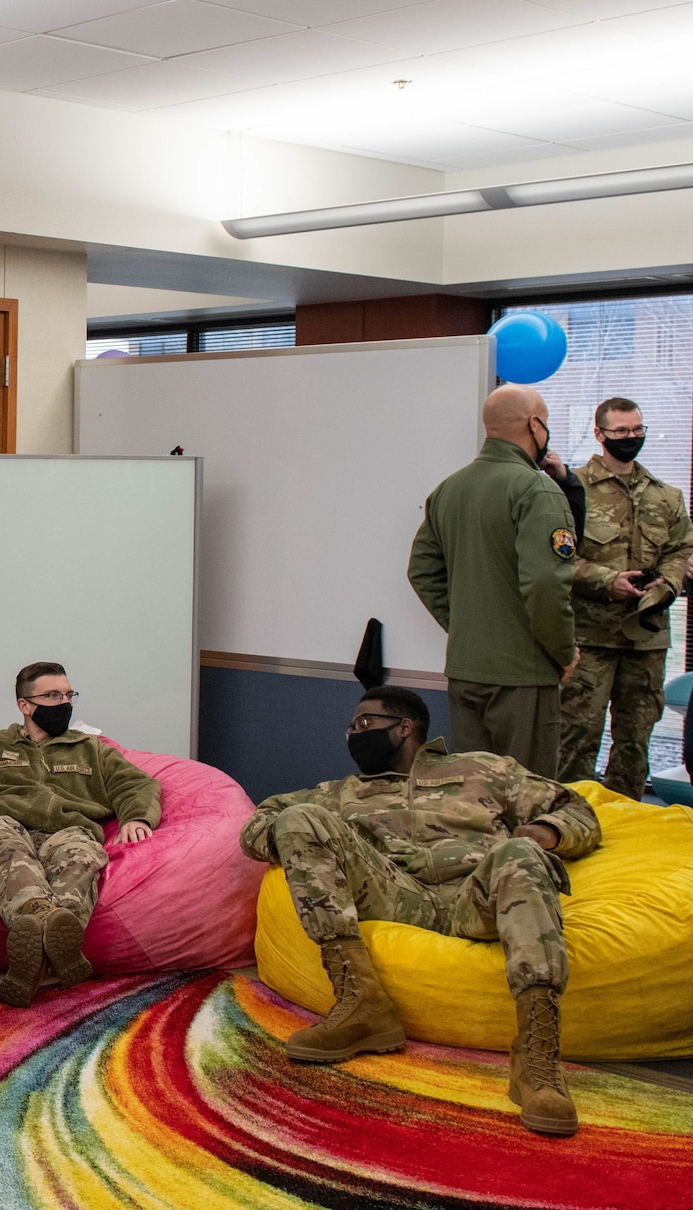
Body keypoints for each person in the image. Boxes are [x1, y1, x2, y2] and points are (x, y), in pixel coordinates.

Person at [239, 687, 601, 1137]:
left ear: (404, 728)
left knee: (522, 853)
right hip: (397, 894)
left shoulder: (484, 769)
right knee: (297, 818)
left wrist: (546, 831)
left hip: (478, 896)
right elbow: (257, 824)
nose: (352, 734)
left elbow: (577, 809)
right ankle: (360, 1002)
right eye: (350, 728)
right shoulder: (341, 792)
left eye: (364, 724)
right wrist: (302, 841)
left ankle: (537, 1057)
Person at [0, 662, 159, 1007]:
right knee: (8, 851)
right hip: (3, 823)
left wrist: (137, 818)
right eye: (52, 695)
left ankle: (41, 946)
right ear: (24, 704)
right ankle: (55, 938)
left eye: (69, 694)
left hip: (69, 828)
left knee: (83, 856)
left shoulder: (92, 749)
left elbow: (137, 785)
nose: (64, 703)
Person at [408, 383, 580, 775]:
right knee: (526, 798)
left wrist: (470, 628)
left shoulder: (449, 489)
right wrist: (563, 651)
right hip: (522, 676)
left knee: (474, 800)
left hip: (466, 671)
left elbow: (421, 571)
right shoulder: (536, 489)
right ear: (535, 425)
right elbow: (546, 585)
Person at [555, 396, 692, 798]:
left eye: (637, 431)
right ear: (599, 434)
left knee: (635, 742)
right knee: (577, 740)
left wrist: (666, 584)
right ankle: (570, 825)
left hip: (646, 636)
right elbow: (556, 558)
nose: (631, 438)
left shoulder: (666, 496)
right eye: (621, 432)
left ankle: (626, 826)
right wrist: (606, 580)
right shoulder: (571, 489)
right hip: (589, 638)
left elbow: (680, 550)